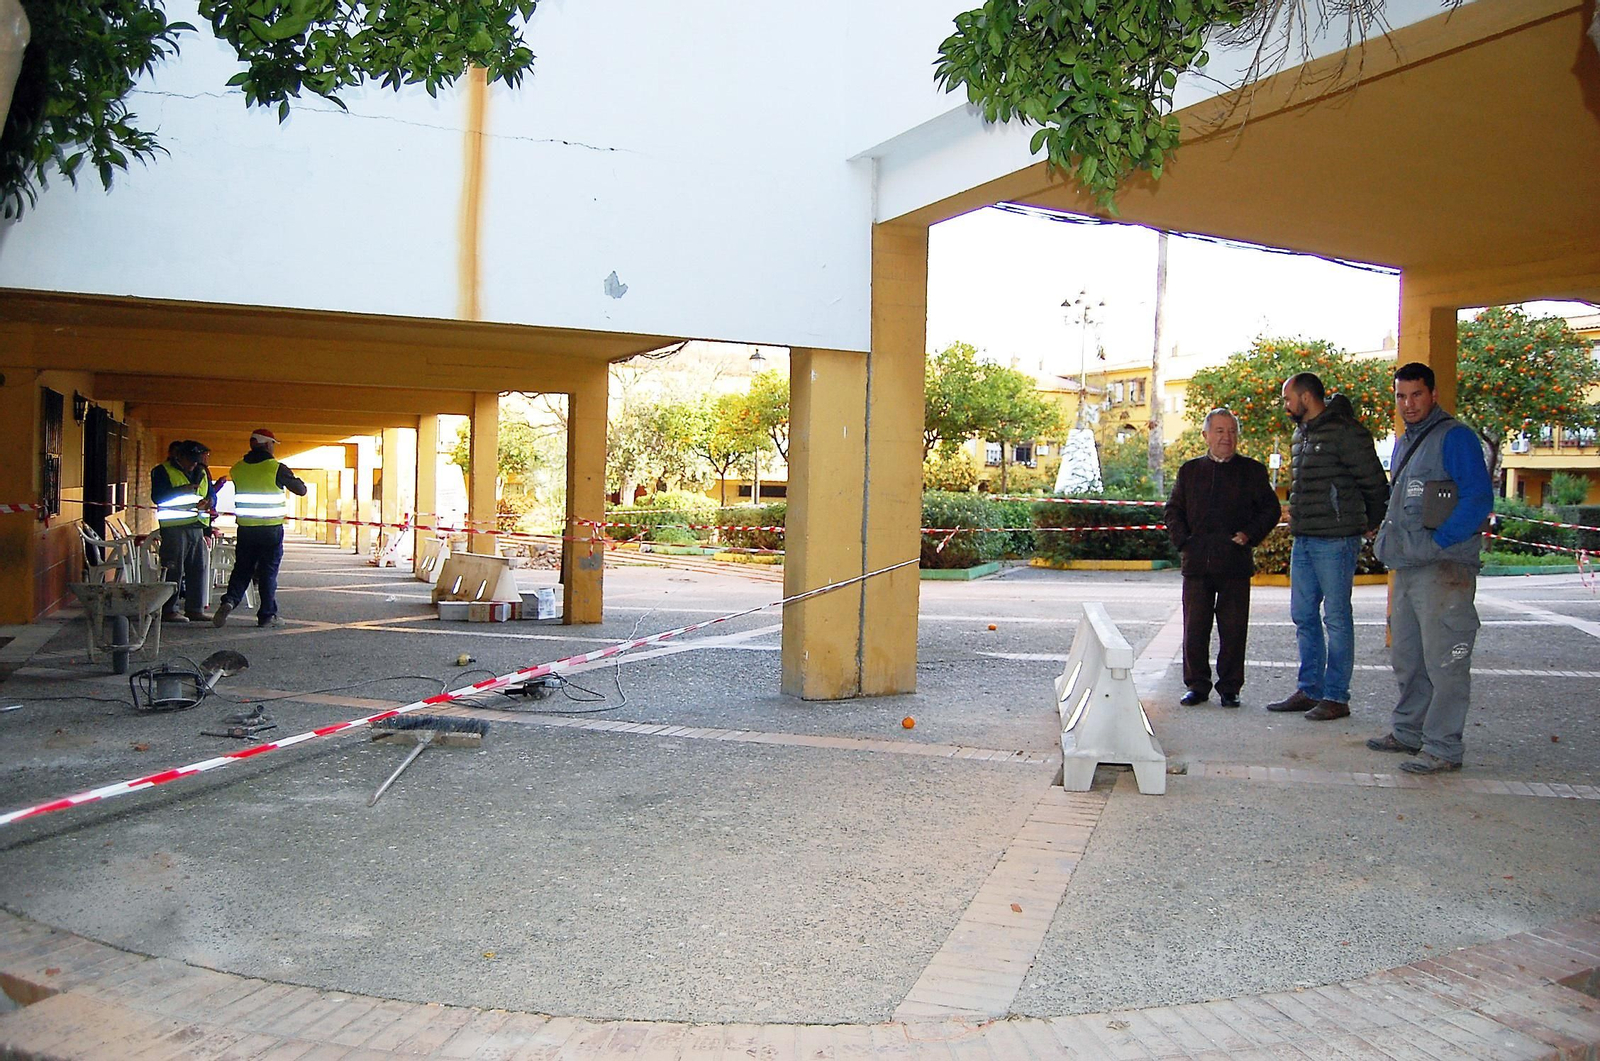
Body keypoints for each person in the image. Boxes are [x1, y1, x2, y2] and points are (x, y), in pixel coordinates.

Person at [1368, 362, 1492, 774]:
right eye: (1401, 396)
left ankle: (1443, 747)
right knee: (1408, 656)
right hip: (1407, 568)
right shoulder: (1406, 442)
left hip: (1444, 569)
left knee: (1446, 661)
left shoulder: (1455, 438)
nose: (1409, 404)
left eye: (1416, 395)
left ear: (1433, 395)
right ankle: (1409, 732)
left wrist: (1438, 542)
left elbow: (1477, 500)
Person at [1266, 373, 1389, 721]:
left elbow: (1374, 481)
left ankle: (1336, 696)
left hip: (1336, 538)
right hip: (1303, 536)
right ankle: (1310, 690)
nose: (1285, 405)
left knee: (1335, 617)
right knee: (1303, 615)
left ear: (1306, 397)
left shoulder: (1344, 432)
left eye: (1288, 398)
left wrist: (1371, 520)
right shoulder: (1299, 435)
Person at [1164, 409, 1283, 707]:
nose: (1226, 437)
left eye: (1231, 431)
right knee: (1195, 628)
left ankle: (1230, 687)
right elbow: (1173, 510)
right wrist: (1184, 542)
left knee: (1233, 629)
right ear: (1205, 435)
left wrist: (1248, 535)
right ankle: (1196, 685)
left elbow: (1270, 510)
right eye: (1219, 431)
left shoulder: (1252, 471)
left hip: (1234, 563)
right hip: (1197, 563)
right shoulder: (1189, 471)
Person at [214, 429, 307, 629]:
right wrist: (291, 477)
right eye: (273, 444)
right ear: (267, 445)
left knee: (242, 569)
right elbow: (301, 490)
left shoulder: (237, 468)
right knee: (268, 572)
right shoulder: (276, 467)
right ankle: (266, 615)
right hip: (270, 530)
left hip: (246, 528)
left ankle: (229, 601)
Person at [150, 440, 213, 622]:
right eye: (191, 460)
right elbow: (158, 496)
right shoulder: (162, 471)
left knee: (198, 568)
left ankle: (195, 609)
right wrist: (181, 491)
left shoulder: (201, 472)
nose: (194, 464)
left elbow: (210, 495)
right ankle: (169, 609)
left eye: (197, 460)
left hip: (197, 527)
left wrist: (209, 503)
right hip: (174, 528)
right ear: (180, 456)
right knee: (173, 569)